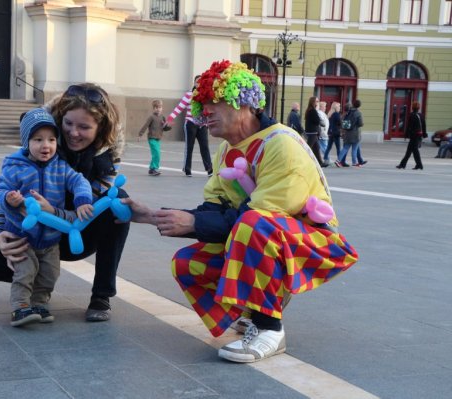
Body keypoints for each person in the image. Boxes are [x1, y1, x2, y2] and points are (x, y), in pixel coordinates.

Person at [123, 60, 358, 363]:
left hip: (310, 241)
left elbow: (256, 214)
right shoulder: (227, 150)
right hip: (262, 233)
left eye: (214, 103)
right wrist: (150, 215)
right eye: (202, 105)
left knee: (252, 223)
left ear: (244, 103)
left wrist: (194, 222)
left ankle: (269, 328)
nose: (204, 112)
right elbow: (215, 208)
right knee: (187, 263)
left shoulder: (281, 145)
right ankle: (250, 311)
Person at [0, 83, 130, 322]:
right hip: (33, 231)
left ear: (100, 129)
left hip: (76, 232)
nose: (73, 133)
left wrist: (55, 212)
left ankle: (101, 296)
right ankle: (34, 283)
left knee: (118, 201)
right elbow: (9, 190)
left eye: (84, 127)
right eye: (68, 124)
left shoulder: (107, 159)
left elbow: (94, 205)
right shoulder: (41, 141)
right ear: (59, 119)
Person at [0, 108, 94, 326]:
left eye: (51, 139)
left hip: (51, 237)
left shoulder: (60, 166)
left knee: (50, 274)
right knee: (25, 272)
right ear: (26, 142)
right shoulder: (14, 167)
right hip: (23, 236)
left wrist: (82, 199)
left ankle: (40, 302)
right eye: (38, 139)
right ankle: (20, 306)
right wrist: (8, 199)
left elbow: (79, 181)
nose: (46, 145)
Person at [166, 76, 213, 177]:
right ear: (194, 83)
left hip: (202, 125)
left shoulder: (206, 95)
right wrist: (170, 118)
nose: (199, 84)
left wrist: (209, 122)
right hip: (190, 123)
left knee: (205, 147)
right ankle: (187, 169)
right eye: (197, 82)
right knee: (189, 147)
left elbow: (209, 109)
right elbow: (179, 107)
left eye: (201, 82)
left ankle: (209, 169)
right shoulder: (189, 95)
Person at [138, 99, 171, 176]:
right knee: (156, 153)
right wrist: (140, 134)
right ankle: (153, 168)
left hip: (158, 139)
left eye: (159, 107)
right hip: (152, 138)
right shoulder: (151, 117)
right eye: (156, 107)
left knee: (157, 154)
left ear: (162, 108)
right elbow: (145, 125)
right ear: (153, 108)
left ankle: (152, 169)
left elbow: (165, 128)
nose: (158, 109)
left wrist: (168, 126)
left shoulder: (162, 117)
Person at [396, 101, 427, 170]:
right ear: (419, 108)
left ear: (412, 108)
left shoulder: (412, 115)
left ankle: (419, 165)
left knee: (415, 151)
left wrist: (406, 135)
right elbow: (424, 126)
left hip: (414, 135)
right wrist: (424, 134)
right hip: (419, 135)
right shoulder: (421, 115)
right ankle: (403, 164)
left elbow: (409, 126)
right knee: (409, 151)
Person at [335, 102, 363, 168]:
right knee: (354, 148)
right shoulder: (358, 113)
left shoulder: (347, 113)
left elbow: (343, 122)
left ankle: (338, 160)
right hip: (355, 133)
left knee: (345, 148)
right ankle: (354, 162)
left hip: (347, 132)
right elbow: (360, 123)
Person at [304, 96, 328, 167]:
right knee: (308, 148)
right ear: (313, 102)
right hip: (312, 132)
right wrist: (320, 120)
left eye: (318, 101)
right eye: (317, 101)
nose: (318, 103)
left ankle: (320, 162)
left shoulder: (310, 110)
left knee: (316, 148)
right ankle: (303, 161)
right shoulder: (312, 111)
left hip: (312, 132)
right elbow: (317, 120)